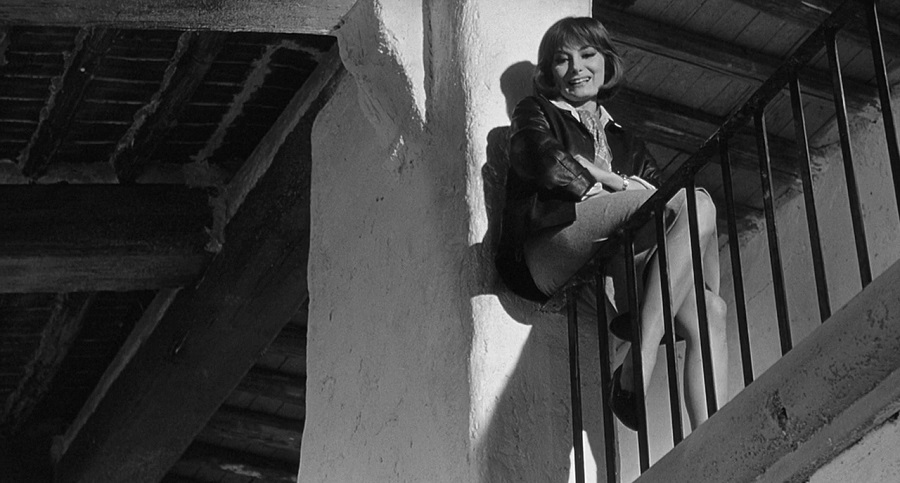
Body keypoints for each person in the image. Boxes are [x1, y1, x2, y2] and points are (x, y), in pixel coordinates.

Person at [495, 16, 728, 431]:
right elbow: (538, 157)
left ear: (606, 61)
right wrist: (605, 184)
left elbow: (661, 199)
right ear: (549, 72)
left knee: (712, 310)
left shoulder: (625, 140)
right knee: (695, 202)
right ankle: (642, 358)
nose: (576, 68)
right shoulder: (538, 111)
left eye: (587, 55)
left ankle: (713, 437)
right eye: (562, 60)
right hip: (552, 243)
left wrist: (608, 177)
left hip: (612, 254)